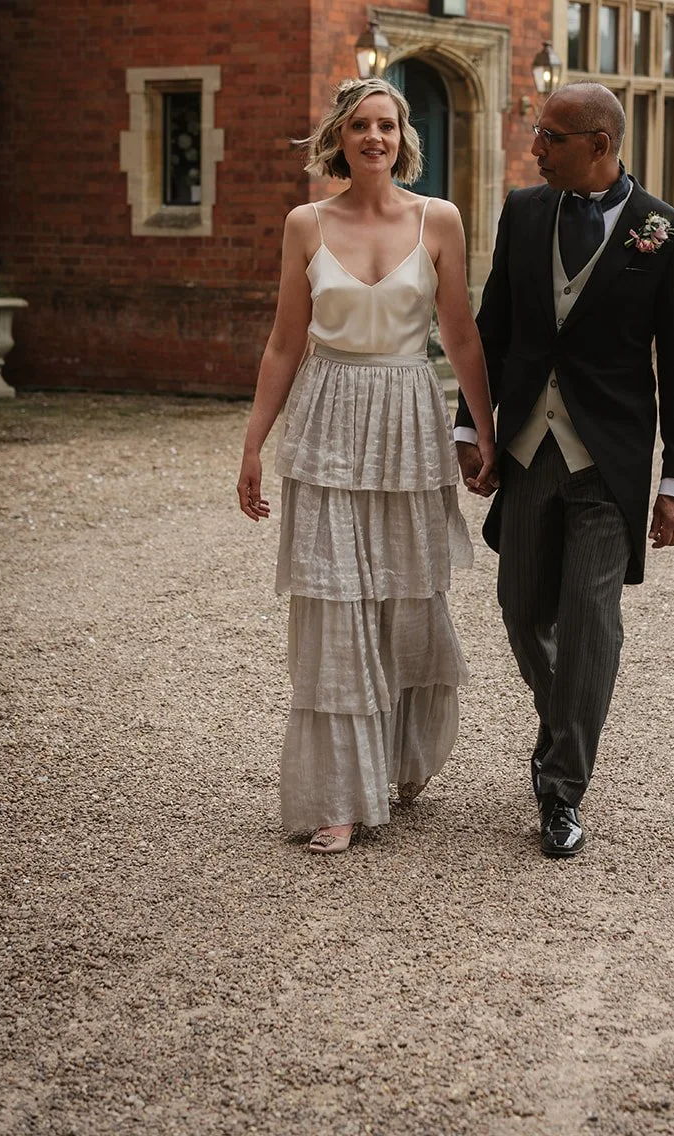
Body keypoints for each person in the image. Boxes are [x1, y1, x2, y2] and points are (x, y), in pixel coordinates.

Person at [237, 78, 495, 853]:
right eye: (359, 126)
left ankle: (399, 758)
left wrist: (486, 433)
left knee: (408, 594)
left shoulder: (439, 219)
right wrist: (252, 444)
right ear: (339, 139)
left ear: (402, 136)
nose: (374, 138)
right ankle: (338, 795)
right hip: (327, 420)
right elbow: (285, 341)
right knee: (334, 601)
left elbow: (463, 339)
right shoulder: (305, 223)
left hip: (409, 416)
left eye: (386, 125)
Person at [455, 82, 674, 859]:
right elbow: (492, 329)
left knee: (591, 622)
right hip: (530, 448)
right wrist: (471, 424)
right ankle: (566, 722)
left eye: (549, 138)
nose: (535, 149)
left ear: (598, 144)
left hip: (610, 462)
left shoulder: (666, 233)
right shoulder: (525, 213)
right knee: (522, 607)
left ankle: (560, 789)